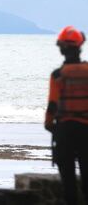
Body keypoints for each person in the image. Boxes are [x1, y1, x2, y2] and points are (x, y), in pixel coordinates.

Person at [45, 26, 88, 205]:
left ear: (62, 48)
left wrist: (49, 124)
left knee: (68, 181)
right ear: (80, 46)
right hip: (86, 130)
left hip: (64, 131)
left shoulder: (58, 75)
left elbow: (53, 104)